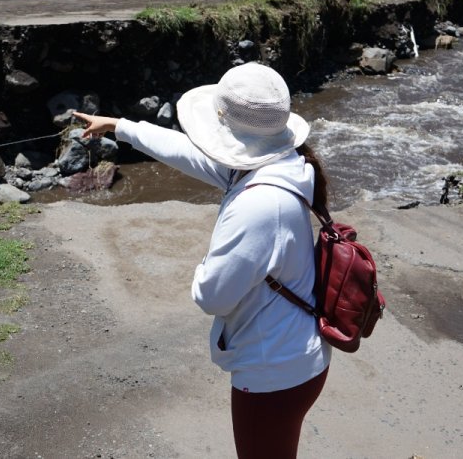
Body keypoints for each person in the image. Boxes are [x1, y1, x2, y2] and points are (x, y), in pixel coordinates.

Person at [73, 62, 331, 459]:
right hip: (293, 355)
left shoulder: (259, 204)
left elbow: (212, 296)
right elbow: (187, 153)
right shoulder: (281, 165)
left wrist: (204, 265)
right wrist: (119, 127)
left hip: (274, 369)